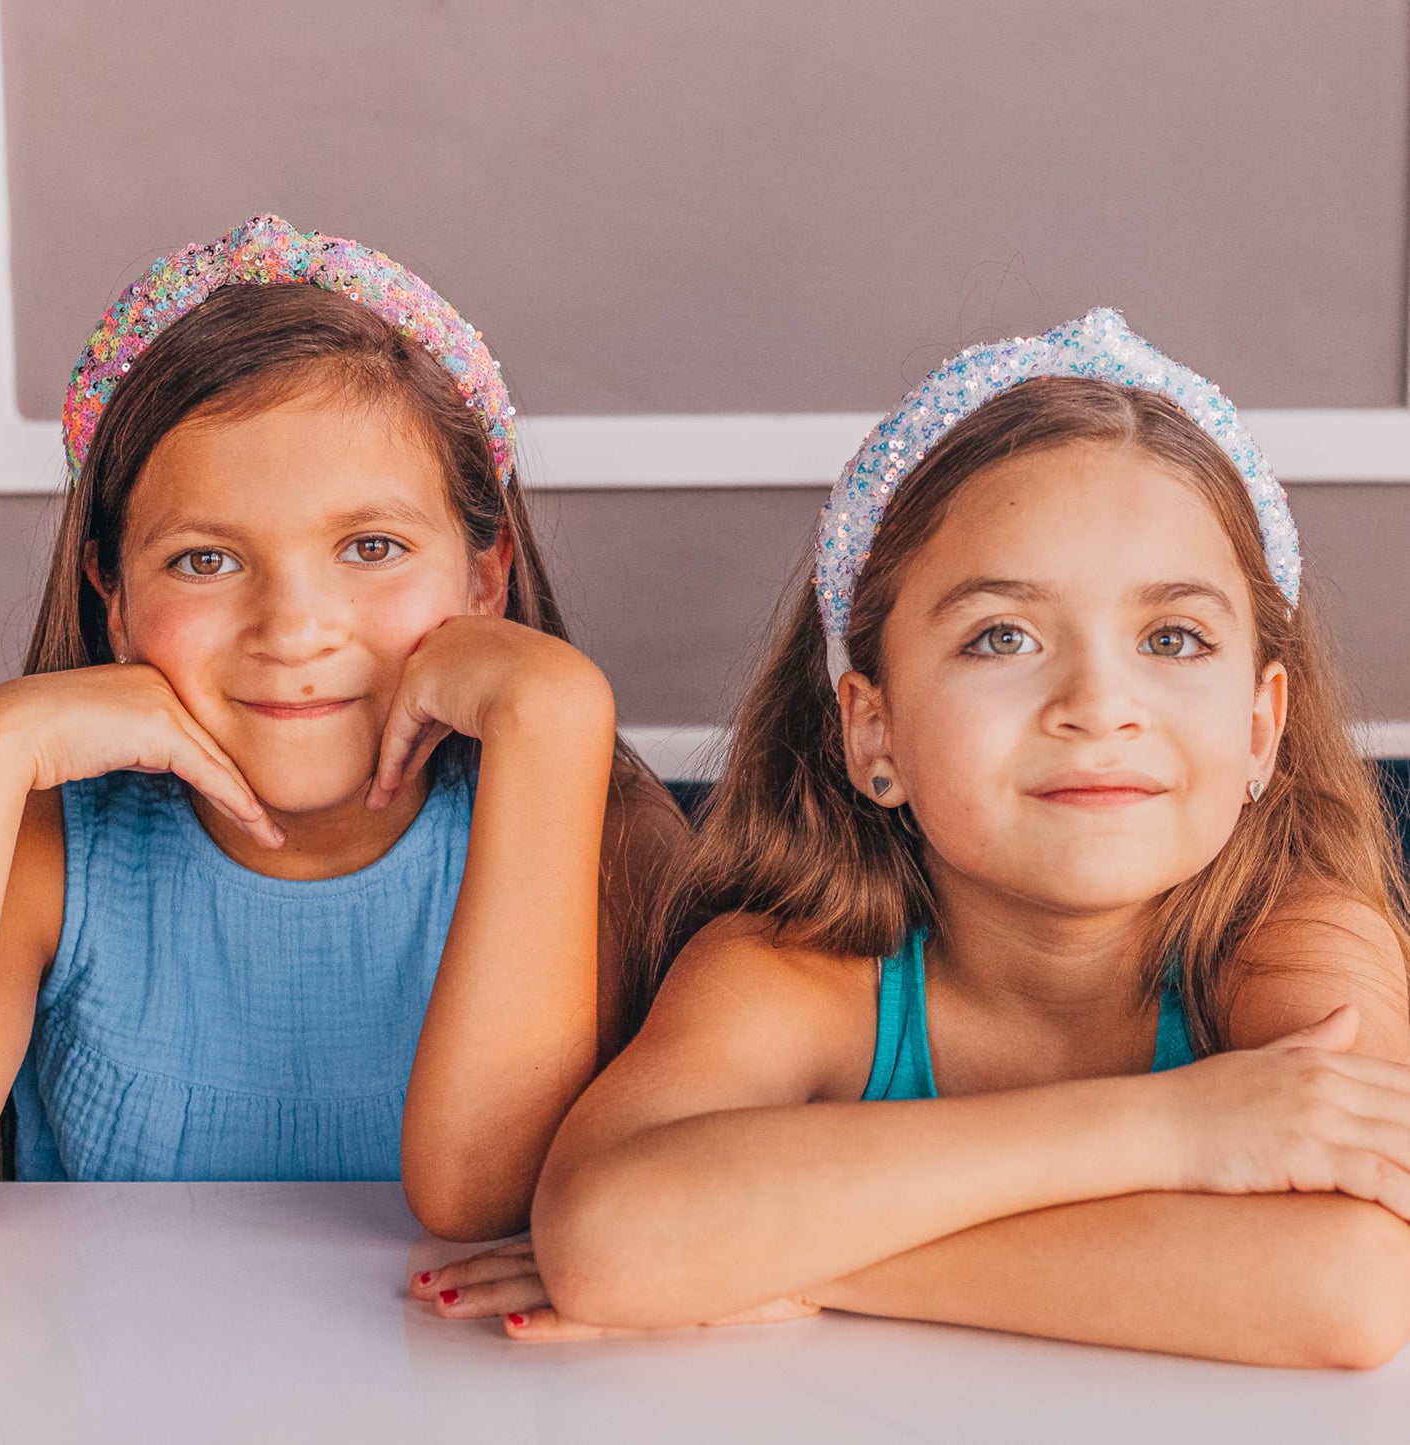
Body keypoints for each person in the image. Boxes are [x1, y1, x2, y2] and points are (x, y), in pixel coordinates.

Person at [431, 310, 1410, 1365]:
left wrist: (788, 1254)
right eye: (1001, 636)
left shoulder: (1301, 940)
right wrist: (1173, 1126)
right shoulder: (794, 963)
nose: (1096, 703)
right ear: (872, 728)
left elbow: (1351, 1285)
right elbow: (606, 1232)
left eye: (1171, 638)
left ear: (1258, 727)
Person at [0, 215, 679, 1239]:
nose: (293, 631)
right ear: (113, 600)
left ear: (487, 574)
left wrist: (551, 714)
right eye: (205, 559)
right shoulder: (49, 842)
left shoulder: (595, 832)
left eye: (372, 545)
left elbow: (475, 1194)